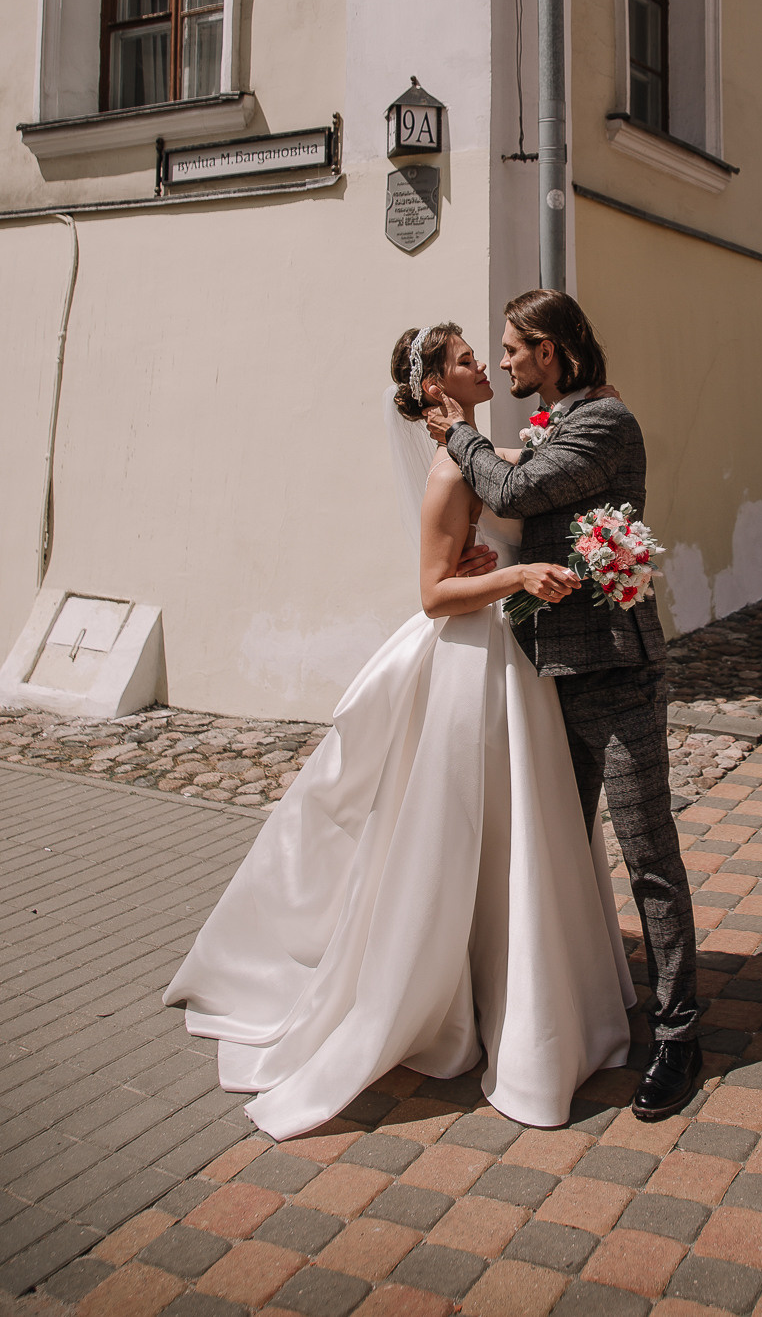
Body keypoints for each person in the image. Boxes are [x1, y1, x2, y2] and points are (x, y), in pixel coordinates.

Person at [163, 323, 633, 1140]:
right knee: (464, 839)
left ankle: (518, 987)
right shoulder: (455, 465)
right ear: (434, 391)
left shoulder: (491, 451)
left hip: (510, 660)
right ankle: (463, 1000)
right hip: (470, 667)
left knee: (518, 835)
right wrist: (517, 574)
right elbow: (430, 594)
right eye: (462, 360)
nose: (482, 363)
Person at [426, 289, 701, 1120]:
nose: (503, 362)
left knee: (647, 854)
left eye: (512, 349)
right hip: (548, 672)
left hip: (615, 672)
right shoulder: (555, 423)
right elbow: (517, 500)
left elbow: (514, 495)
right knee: (557, 856)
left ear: (550, 351)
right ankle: (565, 1009)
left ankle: (680, 1035)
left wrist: (457, 436)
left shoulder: (602, 424)